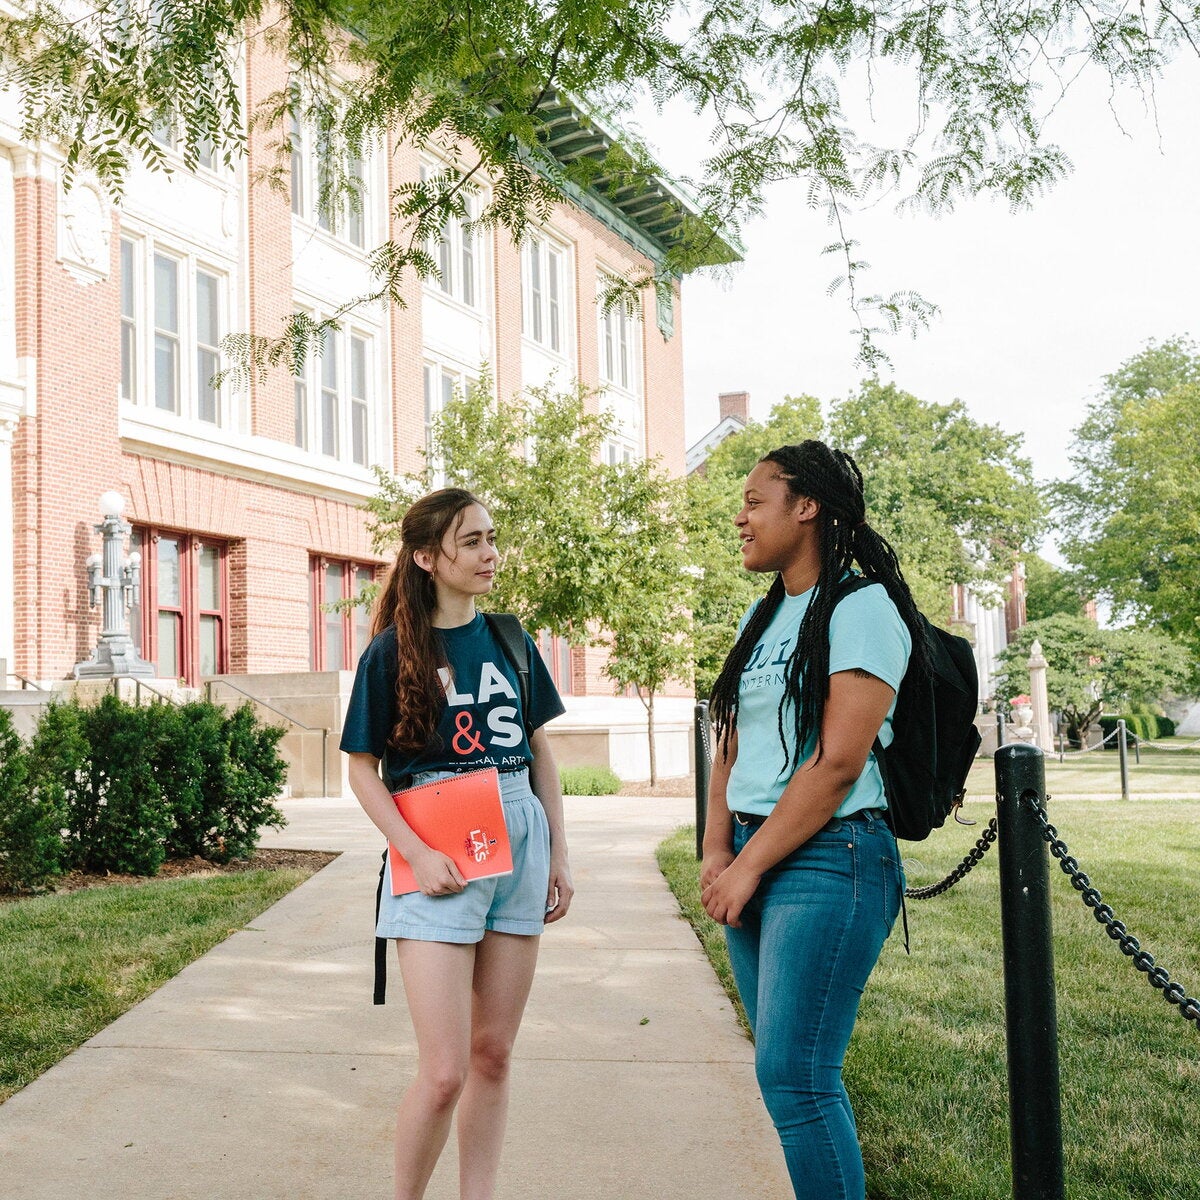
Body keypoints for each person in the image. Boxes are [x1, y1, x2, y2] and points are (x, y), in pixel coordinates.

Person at [701, 440, 928, 1200]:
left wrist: (749, 864)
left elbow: (835, 765)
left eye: (755, 500)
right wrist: (714, 847)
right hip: (750, 850)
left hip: (830, 856)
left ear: (808, 508)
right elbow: (728, 741)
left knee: (796, 1076)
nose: (740, 517)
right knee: (784, 1076)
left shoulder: (863, 608)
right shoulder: (762, 612)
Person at [340, 487, 572, 1200]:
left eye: (491, 538)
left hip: (517, 834)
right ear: (426, 557)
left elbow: (539, 752)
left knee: (493, 1055)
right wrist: (412, 850)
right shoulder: (391, 653)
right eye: (470, 541)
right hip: (436, 839)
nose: (489, 553)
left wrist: (559, 853)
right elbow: (361, 769)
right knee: (445, 1071)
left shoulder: (509, 638)